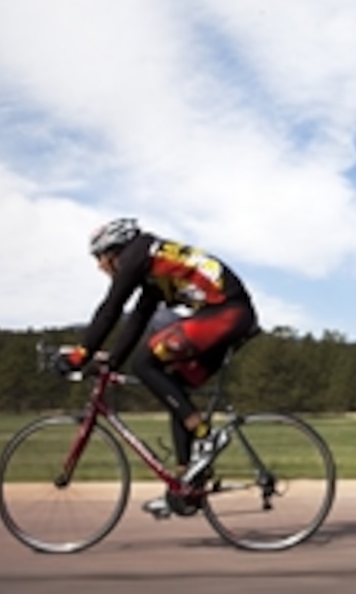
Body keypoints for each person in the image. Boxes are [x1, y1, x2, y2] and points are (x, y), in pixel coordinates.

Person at [56, 217, 259, 516]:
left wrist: (81, 354)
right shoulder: (151, 267)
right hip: (228, 314)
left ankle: (204, 434)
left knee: (144, 363)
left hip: (226, 312)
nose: (100, 268)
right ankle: (185, 485)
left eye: (99, 260)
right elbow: (136, 320)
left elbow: (111, 308)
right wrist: (111, 361)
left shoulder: (137, 254)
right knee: (175, 391)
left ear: (113, 253)